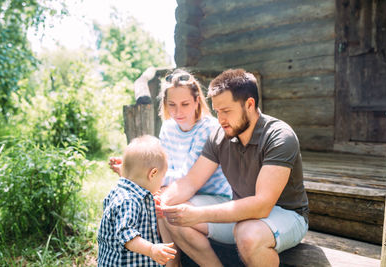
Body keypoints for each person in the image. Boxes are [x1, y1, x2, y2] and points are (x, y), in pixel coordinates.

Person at [160, 69, 309, 267]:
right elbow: (190, 182)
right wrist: (162, 202)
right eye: (217, 111)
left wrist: (198, 215)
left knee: (248, 235)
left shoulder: (279, 136)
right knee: (174, 214)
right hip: (241, 213)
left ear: (249, 104)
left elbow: (262, 205)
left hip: (287, 215)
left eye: (227, 111)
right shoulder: (219, 135)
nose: (220, 119)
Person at [110, 69, 233, 267]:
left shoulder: (208, 128)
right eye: (172, 105)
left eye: (185, 104)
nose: (178, 112)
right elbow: (162, 168)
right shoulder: (168, 127)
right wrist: (133, 168)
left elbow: (187, 176)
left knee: (168, 209)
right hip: (184, 192)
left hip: (215, 197)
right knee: (160, 202)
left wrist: (137, 174)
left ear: (196, 102)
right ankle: (172, 264)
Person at [97, 135, 177, 266]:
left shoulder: (122, 191)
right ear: (153, 174)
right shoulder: (129, 201)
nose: (162, 182)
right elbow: (126, 234)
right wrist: (151, 249)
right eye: (162, 177)